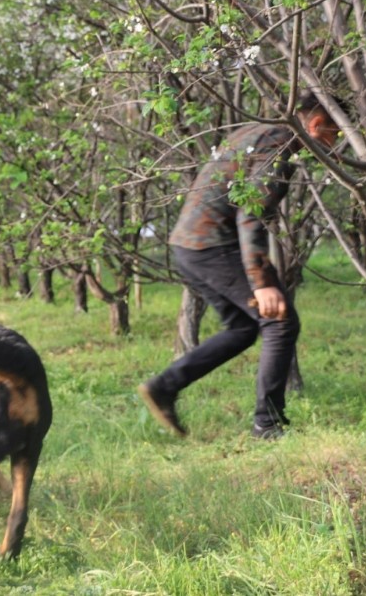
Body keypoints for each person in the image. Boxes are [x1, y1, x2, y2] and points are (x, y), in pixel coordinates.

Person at [139, 94, 340, 440]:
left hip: (191, 245)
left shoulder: (262, 132)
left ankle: (164, 387)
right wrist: (262, 282)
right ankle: (268, 425)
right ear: (316, 124)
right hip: (212, 245)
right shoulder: (277, 147)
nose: (333, 149)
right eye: (333, 136)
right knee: (280, 321)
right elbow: (251, 214)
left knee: (244, 328)